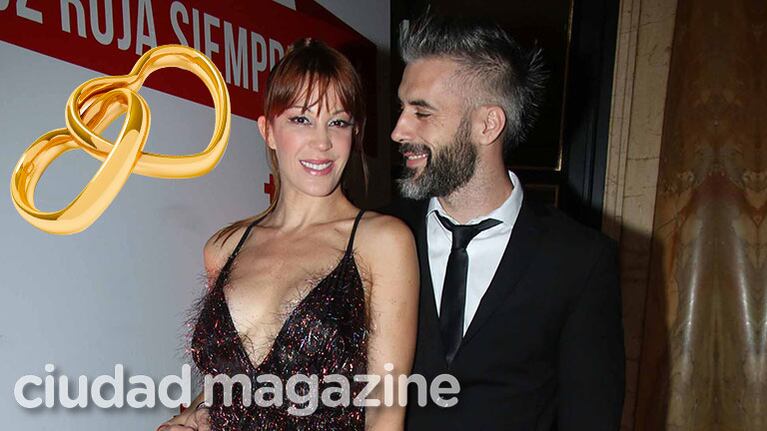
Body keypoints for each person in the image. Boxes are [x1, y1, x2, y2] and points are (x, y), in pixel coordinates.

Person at [157, 38, 419, 431]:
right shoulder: (225, 247)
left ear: (355, 133)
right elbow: (225, 387)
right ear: (268, 131)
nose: (323, 142)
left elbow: (385, 414)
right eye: (301, 120)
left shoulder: (382, 241)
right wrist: (191, 418)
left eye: (338, 122)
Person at [384, 13, 626, 430]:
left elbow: (591, 417)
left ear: (487, 124)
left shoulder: (580, 259)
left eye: (421, 113)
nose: (398, 130)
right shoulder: (383, 234)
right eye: (402, 108)